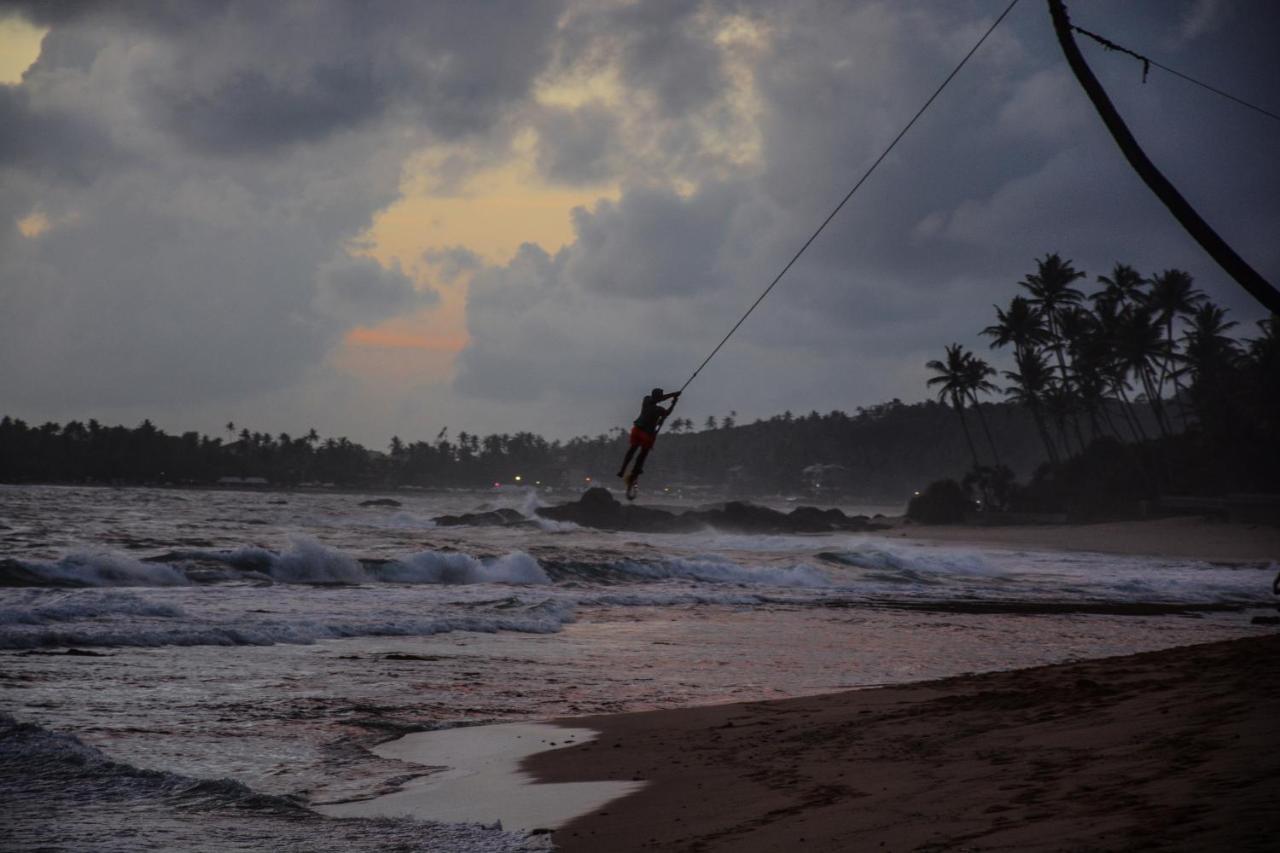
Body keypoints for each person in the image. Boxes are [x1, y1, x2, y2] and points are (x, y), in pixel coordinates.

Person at [617, 387, 681, 483]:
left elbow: (662, 403)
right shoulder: (658, 409)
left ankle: (623, 470)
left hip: (637, 430)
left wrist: (673, 399)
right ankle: (636, 469)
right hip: (646, 435)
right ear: (658, 397)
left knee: (632, 450)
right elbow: (667, 413)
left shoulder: (646, 400)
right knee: (643, 453)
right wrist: (673, 400)